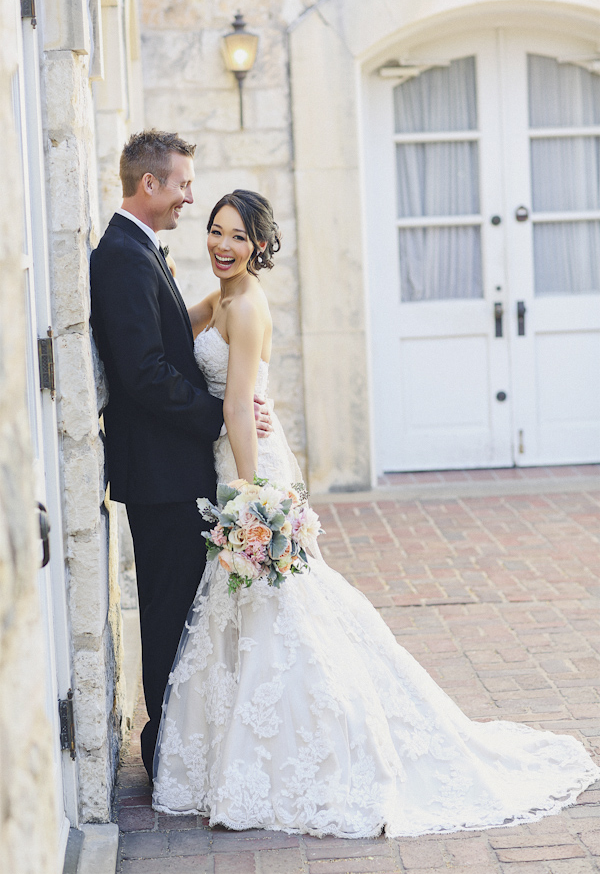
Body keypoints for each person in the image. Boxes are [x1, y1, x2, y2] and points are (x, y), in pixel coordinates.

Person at [152, 189, 599, 838]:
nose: (223, 245)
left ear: (262, 247)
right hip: (238, 451)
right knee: (253, 606)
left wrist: (250, 500)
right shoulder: (221, 296)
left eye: (239, 238)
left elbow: (237, 406)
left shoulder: (247, 306)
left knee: (281, 602)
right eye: (216, 232)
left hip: (248, 466)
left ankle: (313, 748)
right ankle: (244, 755)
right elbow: (179, 336)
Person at [89, 133, 271, 780]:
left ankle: (179, 741)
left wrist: (236, 412)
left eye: (234, 233)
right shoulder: (121, 257)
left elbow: (182, 328)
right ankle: (169, 748)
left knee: (185, 609)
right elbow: (141, 373)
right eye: (184, 186)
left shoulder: (142, 251)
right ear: (151, 185)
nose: (189, 198)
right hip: (162, 473)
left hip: (175, 468)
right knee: (170, 611)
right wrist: (220, 419)